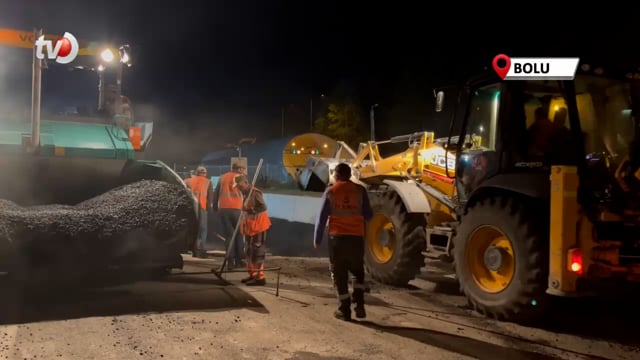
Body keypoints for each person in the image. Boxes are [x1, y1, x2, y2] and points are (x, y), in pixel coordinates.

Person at [313, 163, 373, 321]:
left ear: (337, 175)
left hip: (337, 239)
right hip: (357, 238)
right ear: (350, 175)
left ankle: (344, 310)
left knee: (340, 274)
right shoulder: (360, 190)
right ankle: (359, 304)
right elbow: (368, 215)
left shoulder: (330, 191)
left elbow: (321, 219)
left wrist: (317, 239)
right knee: (357, 271)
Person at [235, 175, 272, 286]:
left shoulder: (255, 193)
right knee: (249, 252)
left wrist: (250, 210)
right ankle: (252, 274)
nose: (239, 188)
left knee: (257, 252)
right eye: (237, 186)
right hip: (249, 228)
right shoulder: (245, 193)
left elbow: (263, 207)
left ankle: (260, 278)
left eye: (240, 186)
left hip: (258, 227)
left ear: (246, 183)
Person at [212, 162, 246, 268]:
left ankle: (230, 261)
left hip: (224, 209)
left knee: (229, 236)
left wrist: (215, 207)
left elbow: (216, 193)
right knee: (239, 235)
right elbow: (247, 192)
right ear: (239, 168)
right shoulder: (240, 177)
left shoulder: (222, 177)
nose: (243, 170)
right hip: (237, 209)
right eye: (242, 168)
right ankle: (239, 260)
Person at [185, 166, 213, 258]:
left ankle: (192, 248)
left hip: (191, 208)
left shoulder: (188, 181)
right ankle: (201, 249)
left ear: (196, 172)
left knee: (192, 228)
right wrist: (209, 209)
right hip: (202, 207)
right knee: (203, 229)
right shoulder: (208, 182)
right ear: (205, 173)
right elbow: (210, 198)